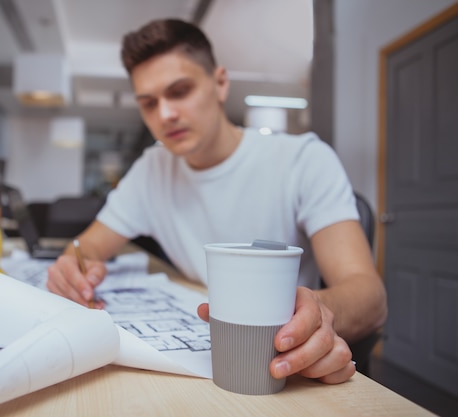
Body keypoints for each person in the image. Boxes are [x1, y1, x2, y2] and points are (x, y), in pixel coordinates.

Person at [47, 18, 387, 385]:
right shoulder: (152, 170)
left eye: (179, 91)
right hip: (204, 351)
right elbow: (90, 244)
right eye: (148, 103)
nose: (164, 115)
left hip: (272, 361)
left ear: (221, 83)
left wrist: (317, 310)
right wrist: (73, 262)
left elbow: (369, 295)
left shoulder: (302, 159)